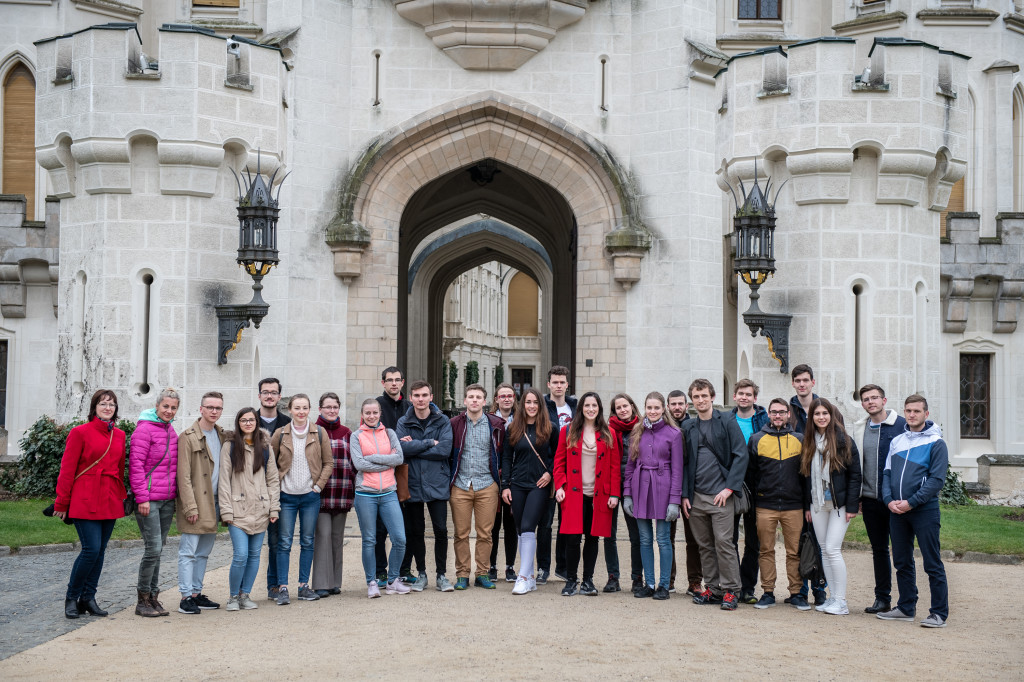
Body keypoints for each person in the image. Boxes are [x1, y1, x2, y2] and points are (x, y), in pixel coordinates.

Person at [53, 389, 127, 620]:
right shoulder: (79, 433)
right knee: (90, 550)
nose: (108, 408)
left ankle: (88, 598)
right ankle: (72, 597)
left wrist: (121, 496)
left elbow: (119, 467)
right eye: (103, 403)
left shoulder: (120, 435)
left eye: (112, 405)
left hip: (109, 498)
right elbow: (67, 470)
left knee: (101, 551)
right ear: (94, 407)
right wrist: (62, 502)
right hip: (85, 497)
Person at [878, 394, 949, 628]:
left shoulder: (936, 443)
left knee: (932, 562)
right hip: (896, 510)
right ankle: (906, 607)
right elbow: (887, 473)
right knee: (901, 561)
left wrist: (912, 502)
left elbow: (936, 480)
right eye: (908, 410)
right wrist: (889, 500)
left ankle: (938, 613)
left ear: (926, 414)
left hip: (924, 510)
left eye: (916, 411)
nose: (911, 415)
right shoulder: (897, 441)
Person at [681, 378, 747, 611]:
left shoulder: (727, 421)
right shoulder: (688, 426)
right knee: (705, 545)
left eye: (704, 396)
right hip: (696, 496)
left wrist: (729, 488)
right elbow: (685, 462)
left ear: (712, 397)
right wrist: (685, 494)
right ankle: (714, 588)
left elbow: (741, 454)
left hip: (721, 495)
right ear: (692, 400)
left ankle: (731, 590)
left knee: (724, 543)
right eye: (696, 397)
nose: (700, 400)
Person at [553, 392, 620, 597]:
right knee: (573, 538)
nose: (591, 409)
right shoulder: (568, 431)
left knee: (593, 538)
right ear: (581, 408)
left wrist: (614, 494)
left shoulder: (609, 433)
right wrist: (559, 487)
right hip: (574, 493)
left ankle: (588, 580)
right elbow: (559, 462)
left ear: (599, 408)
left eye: (594, 405)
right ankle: (571, 580)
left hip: (599, 494)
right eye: (587, 405)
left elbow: (615, 467)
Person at [270, 393, 333, 604]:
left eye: (304, 407)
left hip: (310, 496)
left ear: (310, 409)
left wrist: (318, 486)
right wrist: (276, 488)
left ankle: (303, 585)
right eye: (297, 408)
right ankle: (283, 587)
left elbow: (328, 463)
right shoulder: (280, 434)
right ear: (290, 410)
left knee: (307, 541)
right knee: (284, 542)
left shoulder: (320, 433)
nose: (301, 412)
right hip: (286, 497)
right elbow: (271, 464)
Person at [800, 398, 861, 616]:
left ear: (831, 415)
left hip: (839, 504)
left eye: (825, 413)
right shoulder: (809, 441)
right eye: (817, 414)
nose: (821, 417)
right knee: (824, 550)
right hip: (817, 504)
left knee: (833, 549)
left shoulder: (844, 441)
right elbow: (806, 476)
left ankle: (841, 601)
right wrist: (807, 505)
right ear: (812, 418)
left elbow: (855, 476)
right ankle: (833, 597)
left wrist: (853, 505)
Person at [622, 392, 683, 600]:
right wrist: (627, 495)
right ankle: (649, 583)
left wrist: (675, 500)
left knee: (663, 539)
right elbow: (629, 467)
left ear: (663, 408)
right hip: (640, 488)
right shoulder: (637, 431)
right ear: (645, 408)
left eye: (657, 408)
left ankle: (664, 585)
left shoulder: (674, 434)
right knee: (645, 539)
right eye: (649, 408)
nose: (653, 411)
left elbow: (677, 470)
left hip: (663, 489)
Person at [851, 383, 906, 614]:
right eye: (866, 399)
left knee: (901, 552)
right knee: (879, 550)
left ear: (884, 400)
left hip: (895, 500)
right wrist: (860, 496)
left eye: (874, 398)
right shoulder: (860, 428)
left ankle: (906, 601)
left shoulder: (902, 425)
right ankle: (882, 598)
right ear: (862, 404)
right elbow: (857, 465)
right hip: (871, 500)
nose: (870, 402)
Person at [219, 407, 280, 612]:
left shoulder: (265, 446)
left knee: (255, 555)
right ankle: (233, 596)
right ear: (238, 422)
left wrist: (274, 508)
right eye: (243, 420)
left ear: (256, 422)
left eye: (251, 420)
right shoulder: (229, 446)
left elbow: (272, 480)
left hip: (261, 509)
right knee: (241, 555)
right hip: (238, 510)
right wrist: (226, 511)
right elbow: (224, 481)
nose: (248, 423)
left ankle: (246, 594)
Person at [396, 380, 454, 593]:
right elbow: (401, 449)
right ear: (411, 398)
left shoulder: (443, 421)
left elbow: (445, 450)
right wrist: (430, 442)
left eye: (424, 395)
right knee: (415, 530)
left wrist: (415, 446)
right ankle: (421, 573)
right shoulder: (404, 421)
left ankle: (441, 574)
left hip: (437, 482)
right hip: (412, 484)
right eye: (417, 396)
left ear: (431, 397)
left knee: (441, 529)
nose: (421, 399)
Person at [747, 399, 805, 610]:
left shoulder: (800, 439)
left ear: (789, 414)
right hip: (766, 504)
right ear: (769, 415)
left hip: (793, 505)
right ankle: (768, 592)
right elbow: (751, 474)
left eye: (782, 412)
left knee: (794, 551)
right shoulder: (756, 439)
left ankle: (796, 593)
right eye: (774, 412)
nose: (778, 416)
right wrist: (755, 501)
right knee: (766, 550)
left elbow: (804, 475)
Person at [448, 384, 506, 590]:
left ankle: (482, 573)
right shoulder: (454, 423)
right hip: (461, 484)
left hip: (486, 484)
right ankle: (462, 574)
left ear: (485, 402)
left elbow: (503, 454)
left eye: (478, 397)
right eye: (470, 397)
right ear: (464, 401)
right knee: (461, 533)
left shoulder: (496, 424)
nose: (474, 400)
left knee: (485, 533)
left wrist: (500, 481)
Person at [501, 388, 558, 595]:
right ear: (522, 405)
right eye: (528, 402)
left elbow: (558, 456)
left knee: (527, 527)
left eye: (535, 402)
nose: (532, 406)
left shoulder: (550, 428)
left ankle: (523, 577)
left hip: (538, 485)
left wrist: (550, 473)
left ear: (540, 405)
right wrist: (505, 485)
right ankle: (530, 576)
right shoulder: (513, 428)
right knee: (519, 529)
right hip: (517, 484)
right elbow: (507, 458)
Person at [350, 398, 410, 597]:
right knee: (369, 540)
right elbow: (359, 465)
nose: (371, 416)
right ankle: (372, 582)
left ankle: (393, 580)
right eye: (367, 413)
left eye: (375, 412)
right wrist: (387, 463)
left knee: (399, 538)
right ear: (362, 414)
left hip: (389, 493)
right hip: (365, 494)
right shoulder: (356, 436)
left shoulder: (390, 433)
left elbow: (399, 458)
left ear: (380, 413)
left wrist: (373, 458)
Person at [129, 387, 180, 617]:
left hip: (167, 499)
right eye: (166, 406)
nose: (169, 411)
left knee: (159, 550)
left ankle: (153, 598)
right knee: (153, 549)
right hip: (149, 500)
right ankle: (142, 599)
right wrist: (142, 497)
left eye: (173, 408)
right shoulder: (144, 430)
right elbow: (136, 466)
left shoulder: (171, 431)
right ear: (157, 406)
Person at [175, 391, 228, 615]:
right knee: (188, 551)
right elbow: (183, 476)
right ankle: (185, 596)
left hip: (215, 502)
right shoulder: (188, 436)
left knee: (204, 552)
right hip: (197, 502)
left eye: (218, 408)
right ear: (201, 409)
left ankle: (196, 593)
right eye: (210, 407)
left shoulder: (223, 435)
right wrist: (190, 506)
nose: (214, 411)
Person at [787, 364, 829, 606]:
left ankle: (820, 587)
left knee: (821, 539)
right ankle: (801, 589)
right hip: (796, 480)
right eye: (798, 380)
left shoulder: (825, 408)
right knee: (801, 539)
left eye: (805, 380)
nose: (802, 384)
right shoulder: (788, 410)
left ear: (813, 381)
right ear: (793, 383)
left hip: (821, 480)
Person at [311, 392, 354, 598]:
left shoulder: (347, 432)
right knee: (323, 536)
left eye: (335, 407)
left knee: (337, 538)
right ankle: (321, 583)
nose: (331, 410)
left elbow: (352, 463)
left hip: (343, 491)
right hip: (320, 493)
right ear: (320, 409)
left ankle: (335, 582)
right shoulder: (314, 432)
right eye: (327, 407)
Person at [730, 379, 768, 604]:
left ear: (755, 398)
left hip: (757, 484)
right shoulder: (726, 419)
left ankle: (747, 587)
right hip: (732, 483)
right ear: (734, 396)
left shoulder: (763, 419)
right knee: (730, 538)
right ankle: (733, 584)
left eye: (748, 394)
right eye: (740, 393)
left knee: (754, 540)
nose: (744, 397)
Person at [539, 365, 575, 584]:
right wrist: (550, 469)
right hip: (547, 471)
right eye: (555, 382)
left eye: (562, 382)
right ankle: (543, 567)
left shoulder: (575, 407)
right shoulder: (541, 406)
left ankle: (563, 567)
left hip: (571, 472)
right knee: (545, 523)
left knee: (567, 522)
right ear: (549, 384)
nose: (559, 386)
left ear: (567, 385)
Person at [375, 366, 412, 586]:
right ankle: (381, 570)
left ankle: (404, 569)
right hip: (383, 471)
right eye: (390, 380)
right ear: (383, 383)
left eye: (397, 380)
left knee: (405, 525)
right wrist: (398, 443)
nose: (394, 384)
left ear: (402, 382)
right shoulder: (376, 406)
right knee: (380, 527)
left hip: (406, 470)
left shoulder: (409, 406)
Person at [257, 377, 290, 602]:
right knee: (252, 541)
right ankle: (241, 589)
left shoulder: (287, 423)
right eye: (265, 392)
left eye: (273, 392)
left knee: (277, 540)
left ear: (279, 396)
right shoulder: (247, 420)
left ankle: (275, 585)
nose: (269, 396)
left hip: (281, 489)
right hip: (253, 490)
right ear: (259, 395)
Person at [607, 393, 642, 594]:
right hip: (612, 484)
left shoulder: (642, 429)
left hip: (634, 486)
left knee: (636, 534)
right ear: (614, 411)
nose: (622, 410)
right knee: (609, 534)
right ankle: (613, 577)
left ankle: (637, 577)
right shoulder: (608, 430)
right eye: (618, 407)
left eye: (625, 406)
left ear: (631, 406)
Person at [667, 389, 701, 596]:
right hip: (666, 489)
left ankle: (695, 581)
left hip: (690, 489)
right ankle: (668, 579)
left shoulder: (694, 426)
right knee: (666, 538)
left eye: (681, 404)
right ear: (668, 406)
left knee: (694, 538)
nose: (677, 407)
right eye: (673, 404)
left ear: (686, 406)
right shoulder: (663, 427)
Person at [488, 382, 518, 583]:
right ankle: (491, 566)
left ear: (514, 399)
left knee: (511, 524)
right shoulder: (489, 420)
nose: (506, 398)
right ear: (496, 399)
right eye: (502, 396)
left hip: (515, 476)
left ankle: (509, 566)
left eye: (510, 395)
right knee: (492, 525)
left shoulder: (521, 420)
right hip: (492, 476)